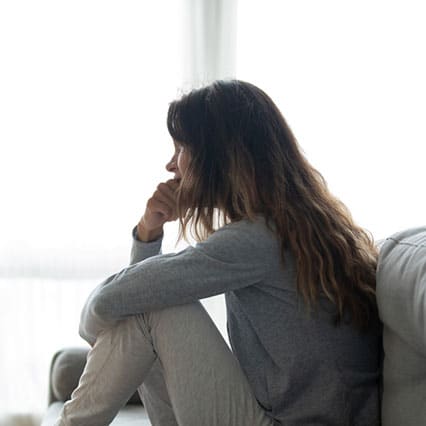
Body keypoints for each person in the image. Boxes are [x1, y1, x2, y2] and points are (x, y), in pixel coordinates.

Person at [56, 80, 381, 426]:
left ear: (218, 159)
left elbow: (109, 303)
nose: (171, 165)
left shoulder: (257, 240)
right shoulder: (291, 227)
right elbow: (137, 294)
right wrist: (149, 229)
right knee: (150, 301)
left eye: (181, 148)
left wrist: (97, 332)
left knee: (152, 306)